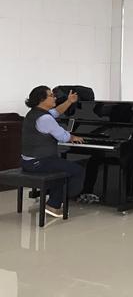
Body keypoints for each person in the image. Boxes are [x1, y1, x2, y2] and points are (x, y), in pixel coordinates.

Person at [20, 86, 85, 218]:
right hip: (38, 162)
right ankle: (54, 204)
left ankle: (54, 197)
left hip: (28, 161)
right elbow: (63, 137)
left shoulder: (34, 113)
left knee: (61, 166)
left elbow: (56, 112)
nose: (54, 97)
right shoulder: (45, 119)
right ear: (41, 99)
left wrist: (69, 101)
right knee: (76, 170)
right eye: (51, 95)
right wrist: (73, 137)